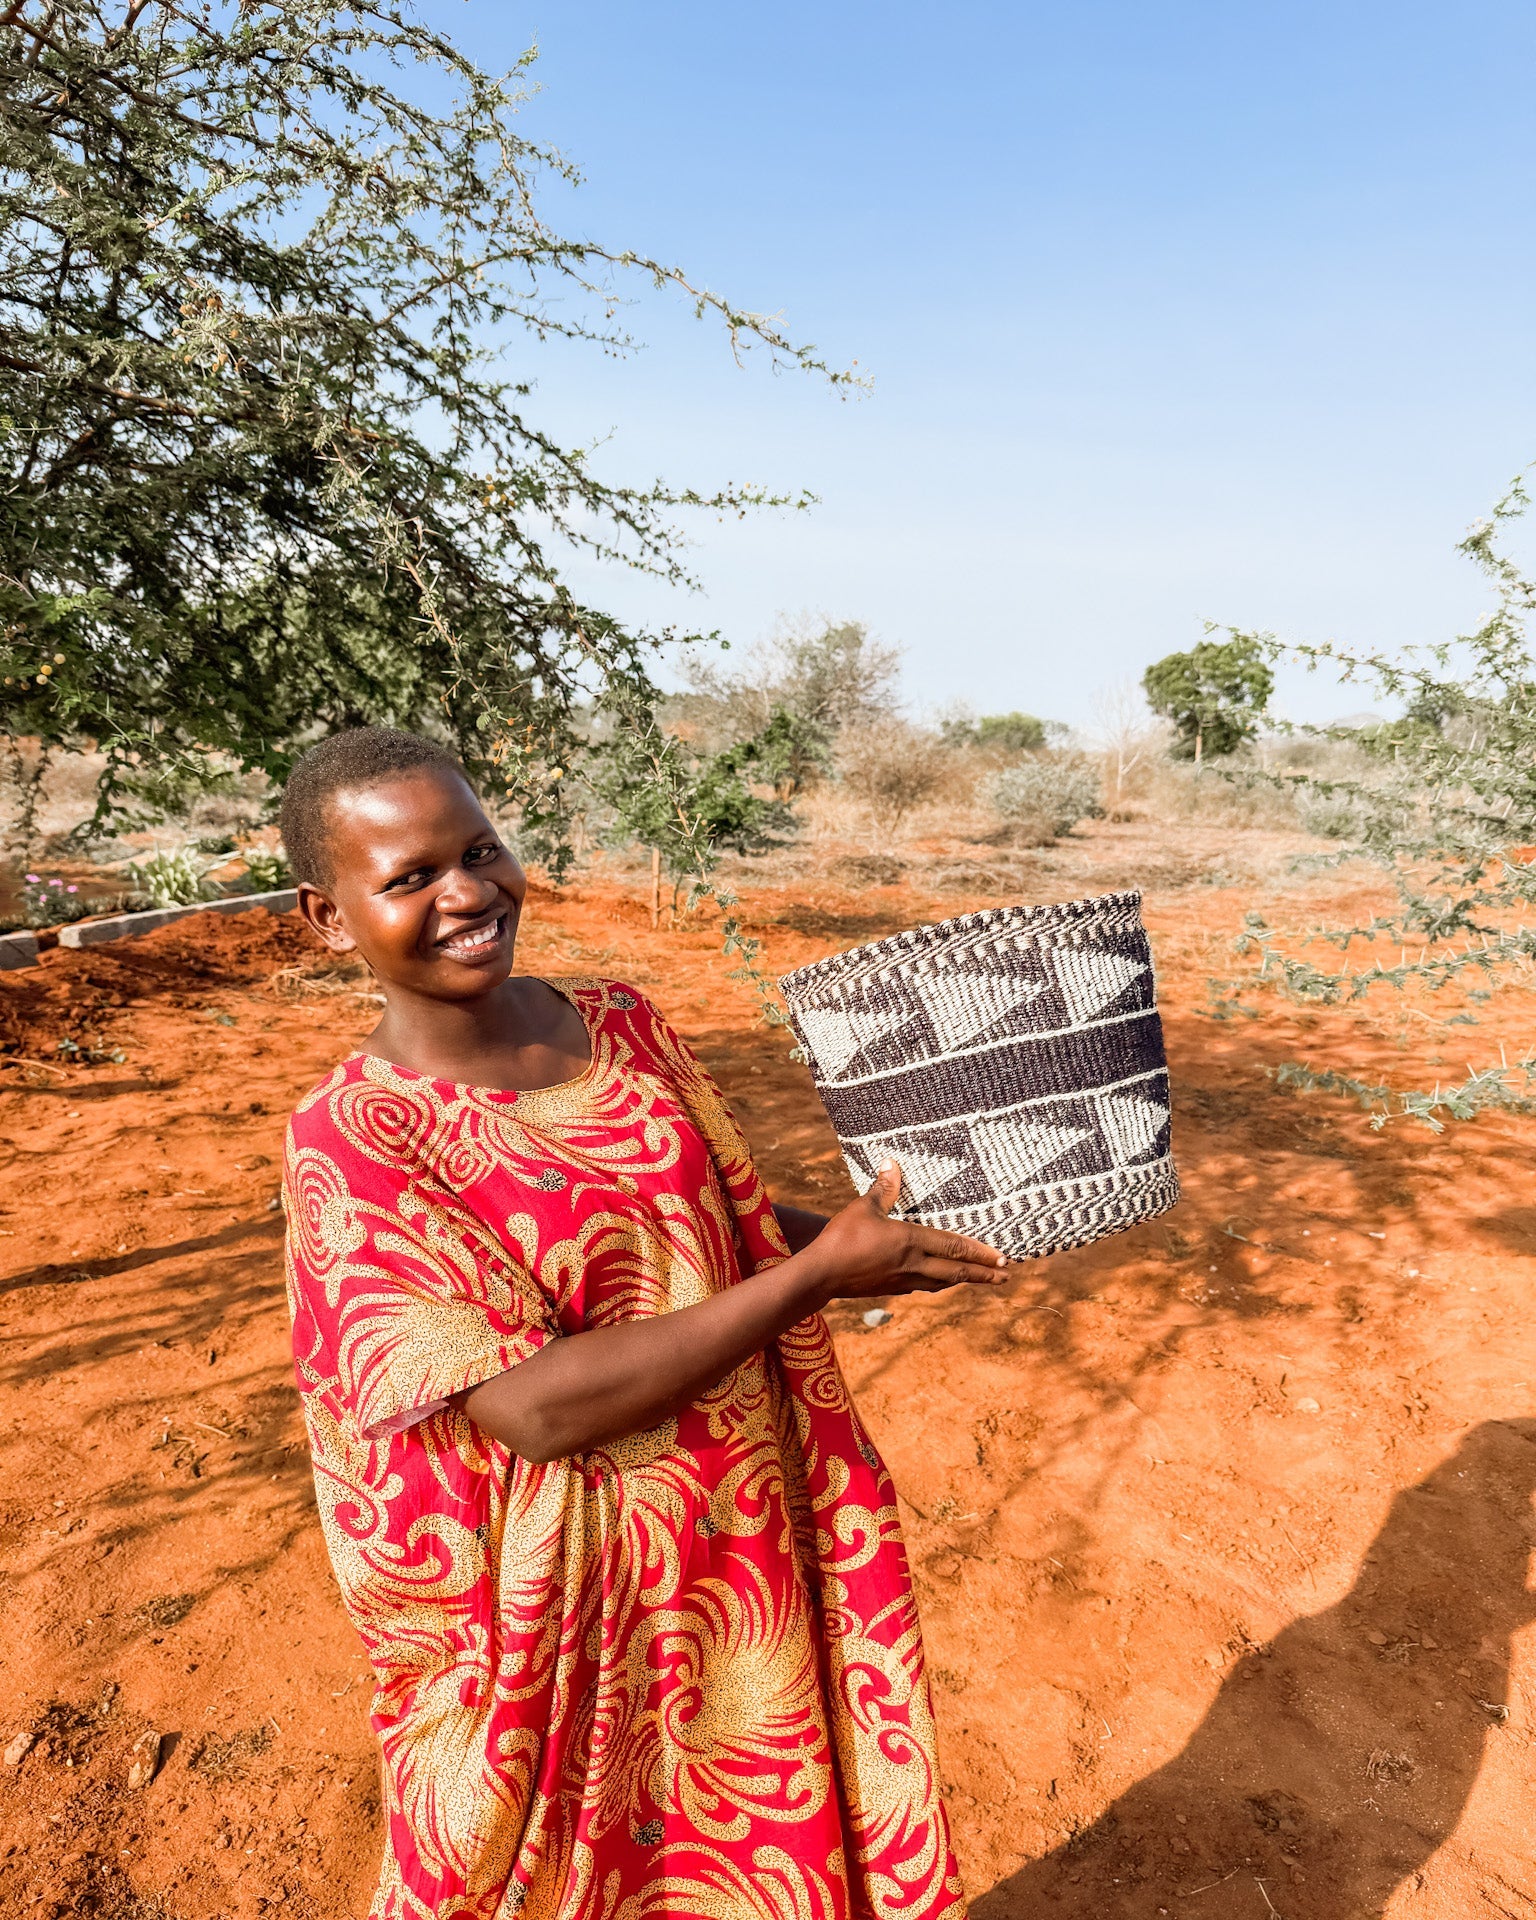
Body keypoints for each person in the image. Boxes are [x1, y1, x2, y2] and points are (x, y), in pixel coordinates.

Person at [279, 726, 1010, 1920]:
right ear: (326, 915)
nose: (466, 892)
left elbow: (697, 1211)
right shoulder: (358, 1138)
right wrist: (812, 1278)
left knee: (752, 1840)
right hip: (565, 1600)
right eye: (409, 877)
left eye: (480, 849)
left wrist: (853, 1244)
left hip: (735, 1524)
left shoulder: (619, 1020)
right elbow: (535, 1407)